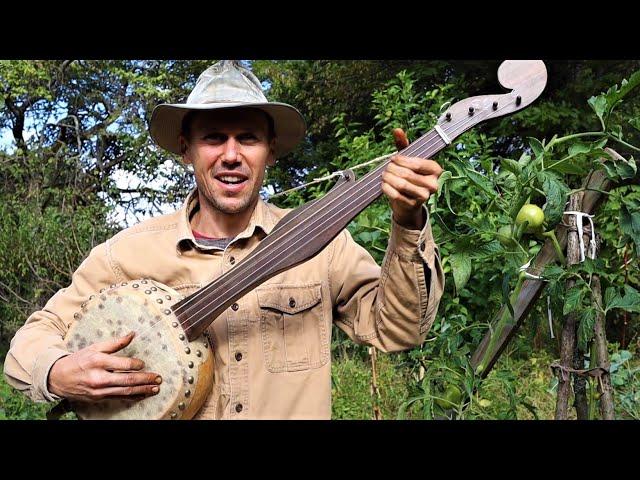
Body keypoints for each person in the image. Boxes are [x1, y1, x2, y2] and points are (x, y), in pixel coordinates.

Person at [3, 60, 445, 419]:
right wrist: (58, 371)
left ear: (269, 149)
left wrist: (408, 221)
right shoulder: (127, 255)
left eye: (247, 138)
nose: (231, 154)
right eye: (214, 137)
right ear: (186, 149)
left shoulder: (324, 245)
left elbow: (399, 330)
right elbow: (31, 341)